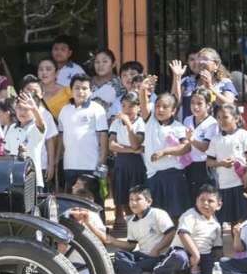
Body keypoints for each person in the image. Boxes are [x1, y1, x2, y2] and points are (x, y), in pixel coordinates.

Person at [73, 185, 175, 274]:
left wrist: (157, 249)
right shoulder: (131, 221)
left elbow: (171, 233)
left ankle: (139, 272)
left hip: (159, 256)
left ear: (149, 202)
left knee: (121, 265)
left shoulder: (157, 214)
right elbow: (131, 246)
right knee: (119, 255)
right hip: (143, 256)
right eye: (131, 199)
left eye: (138, 199)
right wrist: (111, 240)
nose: (133, 203)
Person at [150, 185, 223, 274]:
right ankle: (159, 273)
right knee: (179, 258)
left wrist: (218, 262)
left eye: (210, 201)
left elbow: (217, 248)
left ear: (219, 205)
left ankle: (183, 273)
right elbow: (183, 234)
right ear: (196, 201)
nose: (205, 203)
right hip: (184, 251)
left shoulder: (216, 224)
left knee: (216, 271)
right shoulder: (190, 215)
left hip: (204, 255)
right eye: (202, 200)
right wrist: (195, 255)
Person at [58, 75, 109, 198]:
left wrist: (102, 161)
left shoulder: (97, 109)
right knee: (72, 200)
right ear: (71, 90)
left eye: (85, 88)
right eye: (77, 88)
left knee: (95, 200)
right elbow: (61, 136)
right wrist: (57, 158)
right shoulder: (64, 110)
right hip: (70, 164)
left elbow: (103, 135)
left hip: (91, 164)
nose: (81, 91)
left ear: (91, 91)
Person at [142, 93, 190, 222]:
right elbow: (143, 104)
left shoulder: (178, 127)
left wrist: (165, 151)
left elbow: (186, 147)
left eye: (165, 107)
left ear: (173, 111)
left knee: (175, 213)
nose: (160, 109)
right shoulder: (150, 121)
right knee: (156, 214)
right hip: (153, 175)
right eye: (157, 106)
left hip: (173, 175)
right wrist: (143, 90)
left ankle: (177, 241)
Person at [204, 103, 247, 226]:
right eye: (219, 118)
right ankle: (235, 244)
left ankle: (245, 245)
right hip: (224, 185)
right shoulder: (215, 139)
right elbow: (209, 162)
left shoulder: (243, 134)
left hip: (241, 183)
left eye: (225, 117)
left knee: (245, 218)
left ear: (236, 118)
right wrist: (220, 163)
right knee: (231, 221)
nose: (221, 121)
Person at [108, 92, 145, 226]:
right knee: (123, 197)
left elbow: (136, 143)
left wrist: (129, 125)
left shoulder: (141, 122)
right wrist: (131, 149)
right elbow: (112, 145)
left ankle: (140, 227)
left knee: (137, 197)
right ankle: (132, 227)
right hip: (121, 163)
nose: (127, 110)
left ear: (138, 107)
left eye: (131, 106)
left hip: (137, 164)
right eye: (124, 106)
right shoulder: (117, 122)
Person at [174, 49, 238, 121]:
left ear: (216, 64)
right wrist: (177, 77)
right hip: (190, 128)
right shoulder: (187, 81)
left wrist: (210, 87)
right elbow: (174, 103)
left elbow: (229, 105)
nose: (201, 62)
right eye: (199, 59)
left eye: (205, 59)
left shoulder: (224, 83)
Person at [20, 76, 60, 187]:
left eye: (35, 91)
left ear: (41, 93)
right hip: (19, 165)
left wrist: (50, 164)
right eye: (28, 90)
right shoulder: (17, 111)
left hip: (40, 164)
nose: (31, 93)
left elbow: (50, 140)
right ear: (22, 92)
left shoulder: (45, 114)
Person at [182, 88, 219, 206]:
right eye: (192, 103)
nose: (195, 106)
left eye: (199, 103)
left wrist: (191, 140)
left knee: (207, 199)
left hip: (205, 167)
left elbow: (205, 147)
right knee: (193, 199)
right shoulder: (187, 120)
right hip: (189, 165)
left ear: (208, 105)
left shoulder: (212, 123)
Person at [3, 93, 48, 189]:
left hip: (33, 180)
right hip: (14, 180)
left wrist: (34, 109)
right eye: (19, 108)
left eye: (26, 109)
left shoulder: (35, 127)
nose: (22, 112)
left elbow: (41, 125)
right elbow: (7, 152)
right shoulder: (11, 128)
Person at [89, 49, 125, 117]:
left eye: (105, 61)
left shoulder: (121, 83)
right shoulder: (88, 83)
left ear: (113, 64)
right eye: (97, 62)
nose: (100, 65)